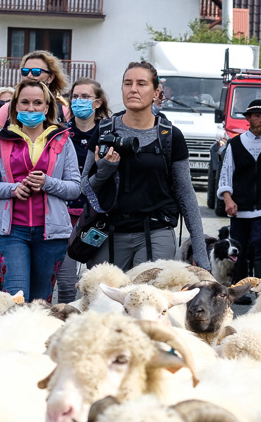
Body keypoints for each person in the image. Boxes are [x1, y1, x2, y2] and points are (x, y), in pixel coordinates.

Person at [83, 62, 211, 272]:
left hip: (157, 233)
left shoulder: (171, 136)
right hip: (110, 232)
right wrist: (104, 170)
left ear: (156, 92)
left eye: (141, 84)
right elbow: (85, 188)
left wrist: (199, 249)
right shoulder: (104, 131)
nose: (133, 89)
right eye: (127, 83)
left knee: (147, 300)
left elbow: (186, 194)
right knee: (105, 300)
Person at [0, 78, 81, 301]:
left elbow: (75, 188)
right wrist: (13, 189)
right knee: (15, 299)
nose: (31, 108)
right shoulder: (1, 141)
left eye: (37, 103)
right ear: (15, 106)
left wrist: (48, 183)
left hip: (51, 233)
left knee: (40, 302)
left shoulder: (63, 140)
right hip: (10, 232)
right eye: (25, 102)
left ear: (47, 107)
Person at [57, 78, 111, 303]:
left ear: (97, 102)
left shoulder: (108, 135)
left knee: (98, 284)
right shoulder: (60, 135)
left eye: (85, 97)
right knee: (66, 283)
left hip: (96, 218)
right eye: (75, 97)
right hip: (65, 216)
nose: (79, 101)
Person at [218, 99, 261, 282]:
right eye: (257, 116)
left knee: (260, 242)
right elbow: (226, 174)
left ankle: (260, 284)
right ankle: (240, 285)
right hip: (239, 206)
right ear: (248, 118)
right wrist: (228, 199)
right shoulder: (235, 144)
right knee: (240, 248)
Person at [0, 51, 70, 133]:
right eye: (25, 71)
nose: (29, 75)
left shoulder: (63, 111)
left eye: (36, 72)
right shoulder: (7, 109)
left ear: (50, 78)